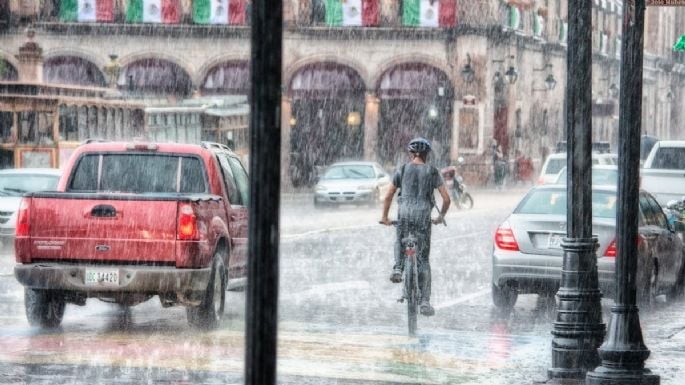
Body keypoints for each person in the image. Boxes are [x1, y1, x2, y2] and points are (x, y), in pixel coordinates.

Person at [380, 137, 451, 317]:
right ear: (427, 154)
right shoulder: (433, 171)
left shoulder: (403, 170)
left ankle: (398, 267)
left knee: (400, 238)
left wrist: (384, 217)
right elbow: (447, 199)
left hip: (404, 213)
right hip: (423, 217)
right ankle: (425, 301)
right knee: (423, 260)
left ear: (411, 154)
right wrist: (440, 216)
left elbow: (388, 196)